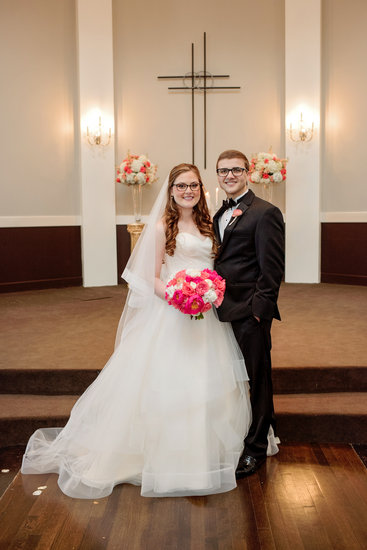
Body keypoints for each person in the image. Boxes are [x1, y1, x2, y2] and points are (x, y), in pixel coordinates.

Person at [21, 163, 251, 499]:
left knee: (207, 382)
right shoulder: (161, 227)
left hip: (207, 318)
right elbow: (148, 277)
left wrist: (209, 293)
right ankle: (165, 457)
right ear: (171, 191)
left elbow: (214, 266)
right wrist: (178, 297)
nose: (188, 192)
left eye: (194, 186)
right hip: (173, 313)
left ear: (201, 190)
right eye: (181, 186)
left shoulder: (209, 223)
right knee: (170, 385)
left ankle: (205, 454)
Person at [213, 150, 285, 477]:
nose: (229, 175)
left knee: (257, 378)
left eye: (235, 170)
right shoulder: (218, 214)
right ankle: (261, 428)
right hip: (222, 308)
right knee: (239, 376)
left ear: (248, 172)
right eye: (223, 171)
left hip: (250, 311)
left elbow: (272, 270)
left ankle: (255, 449)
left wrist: (259, 312)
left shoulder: (265, 213)